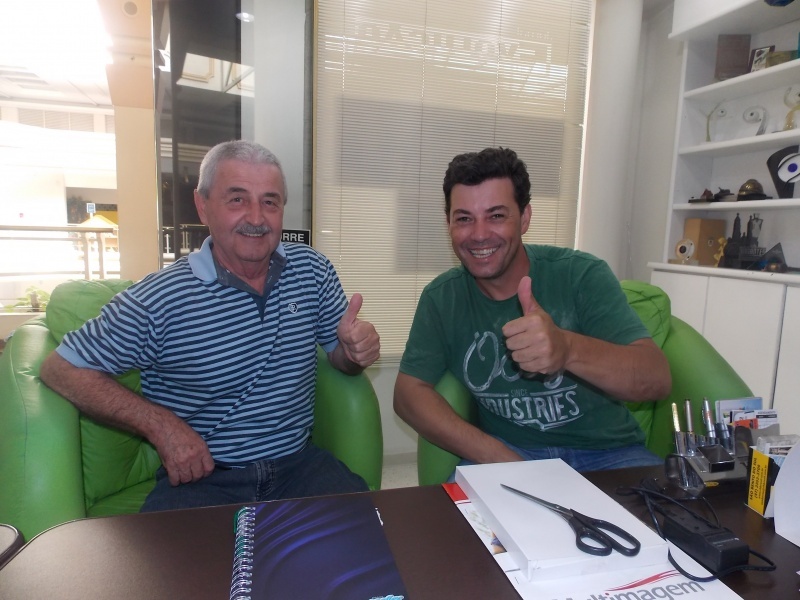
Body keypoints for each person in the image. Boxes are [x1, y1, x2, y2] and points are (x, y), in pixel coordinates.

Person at [40, 140, 380, 511]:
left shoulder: (312, 270)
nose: (256, 218)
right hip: (203, 478)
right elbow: (61, 369)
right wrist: (161, 426)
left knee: (369, 535)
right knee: (173, 552)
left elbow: (340, 359)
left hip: (299, 467)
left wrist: (353, 353)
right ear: (203, 206)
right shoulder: (160, 298)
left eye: (270, 202)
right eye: (237, 199)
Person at [393, 147, 671, 474]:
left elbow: (656, 379)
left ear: (524, 218)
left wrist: (567, 348)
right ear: (448, 224)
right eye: (464, 219)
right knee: (454, 510)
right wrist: (495, 454)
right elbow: (408, 394)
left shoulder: (581, 275)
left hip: (609, 454)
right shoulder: (442, 298)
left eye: (497, 216)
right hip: (510, 455)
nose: (479, 234)